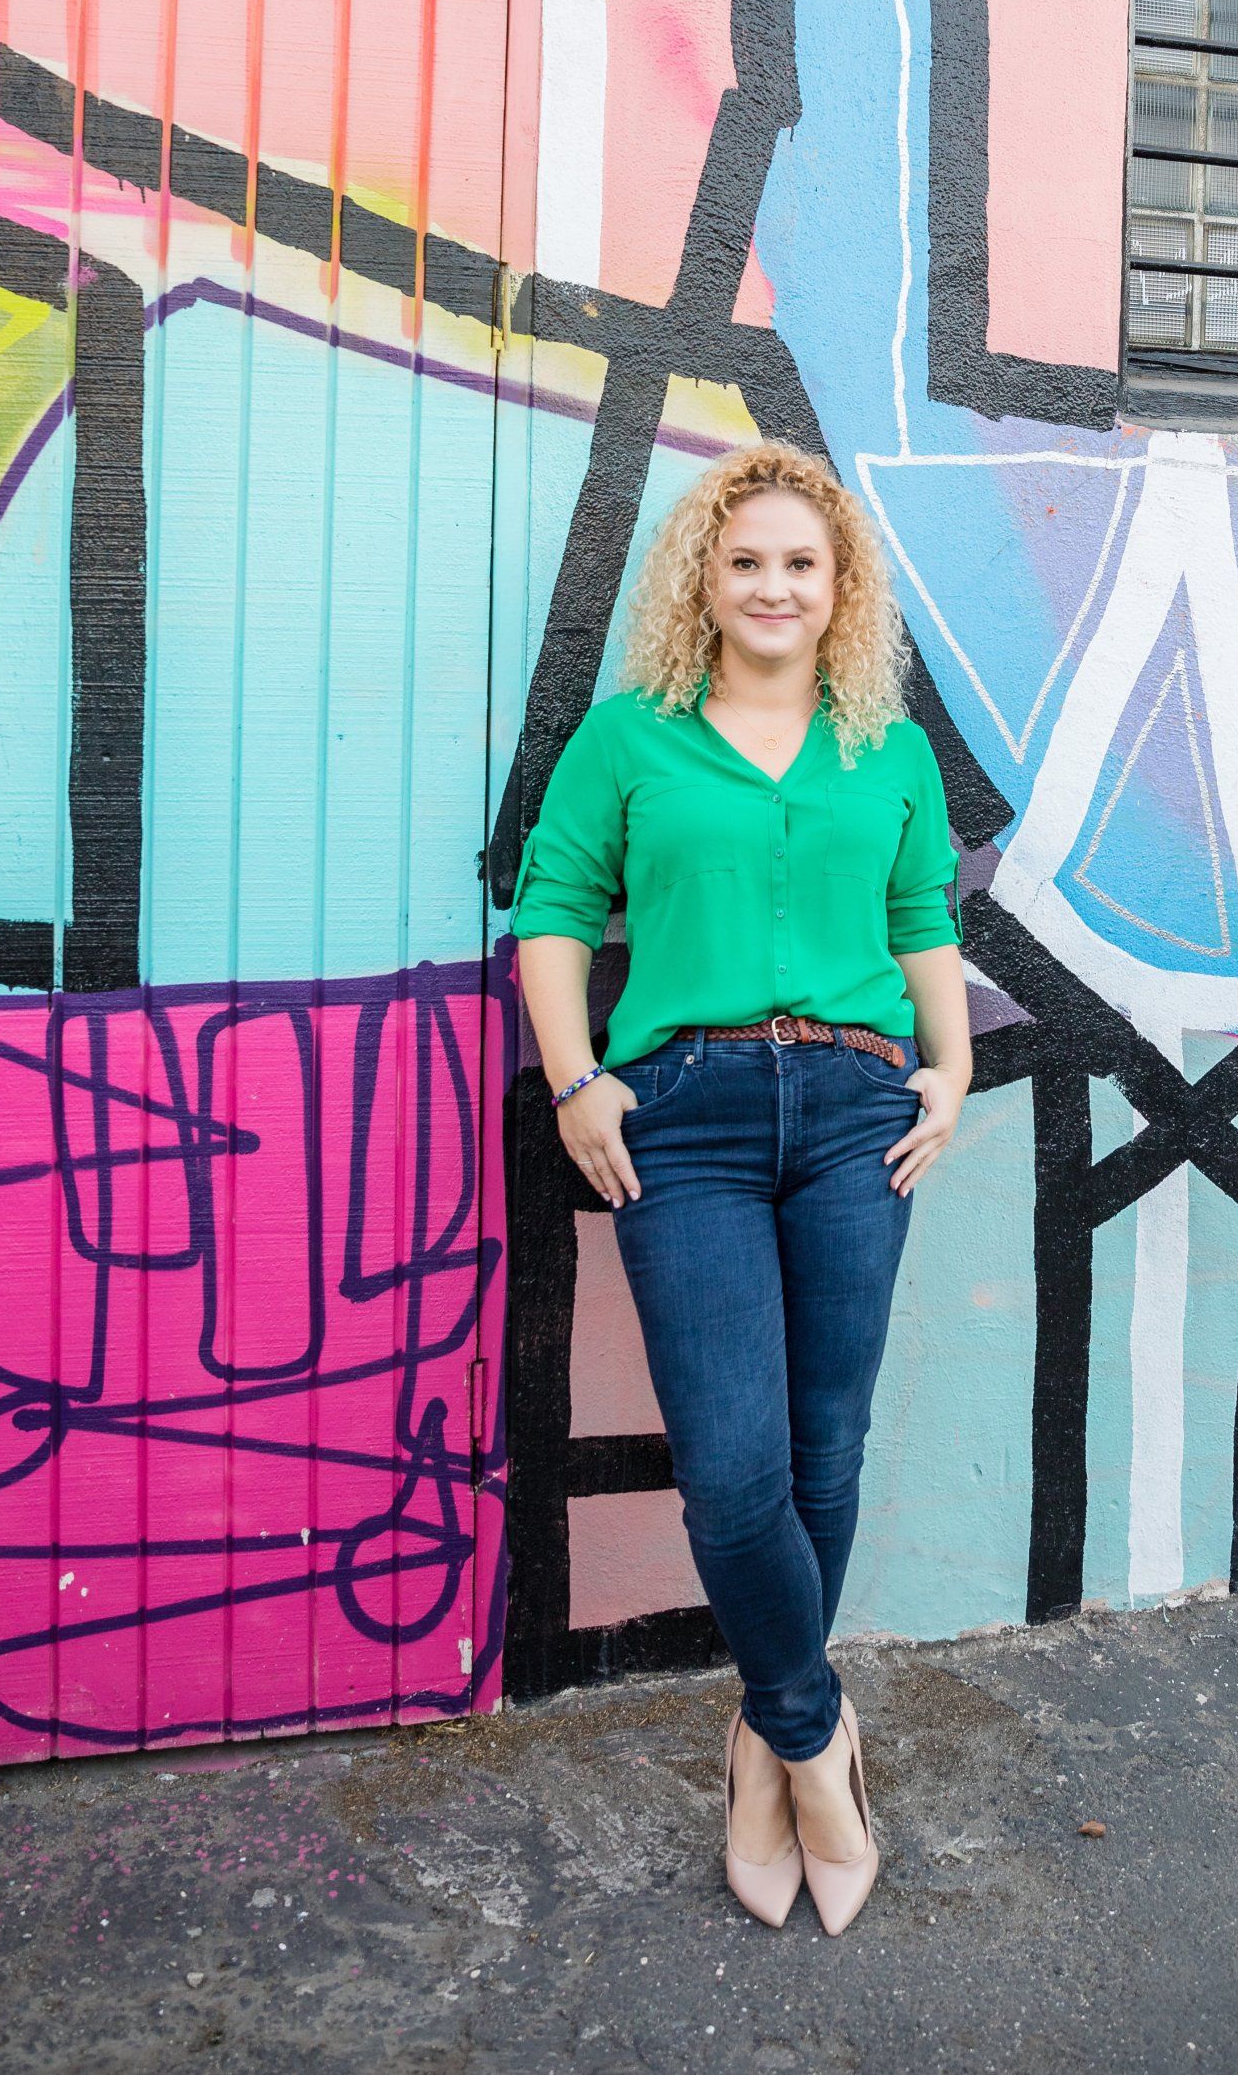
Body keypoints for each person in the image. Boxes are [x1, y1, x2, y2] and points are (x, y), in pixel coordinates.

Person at [512, 439, 972, 1933]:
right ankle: (813, 1739)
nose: (773, 584)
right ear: (702, 581)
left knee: (823, 1450)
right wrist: (578, 1078)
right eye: (746, 559)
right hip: (687, 1119)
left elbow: (919, 919)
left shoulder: (882, 746)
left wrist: (952, 1068)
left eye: (801, 563)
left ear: (841, 592)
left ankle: (759, 1743)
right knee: (731, 1465)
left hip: (853, 1110)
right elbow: (555, 908)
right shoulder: (632, 736)